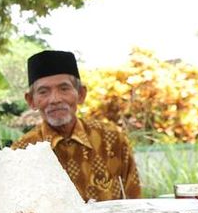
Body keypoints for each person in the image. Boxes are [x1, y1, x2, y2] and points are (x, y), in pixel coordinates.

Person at [13, 50, 142, 202]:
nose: (55, 99)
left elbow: (135, 203)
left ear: (81, 94)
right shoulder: (22, 152)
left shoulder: (112, 139)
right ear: (31, 101)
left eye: (64, 88)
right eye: (43, 92)